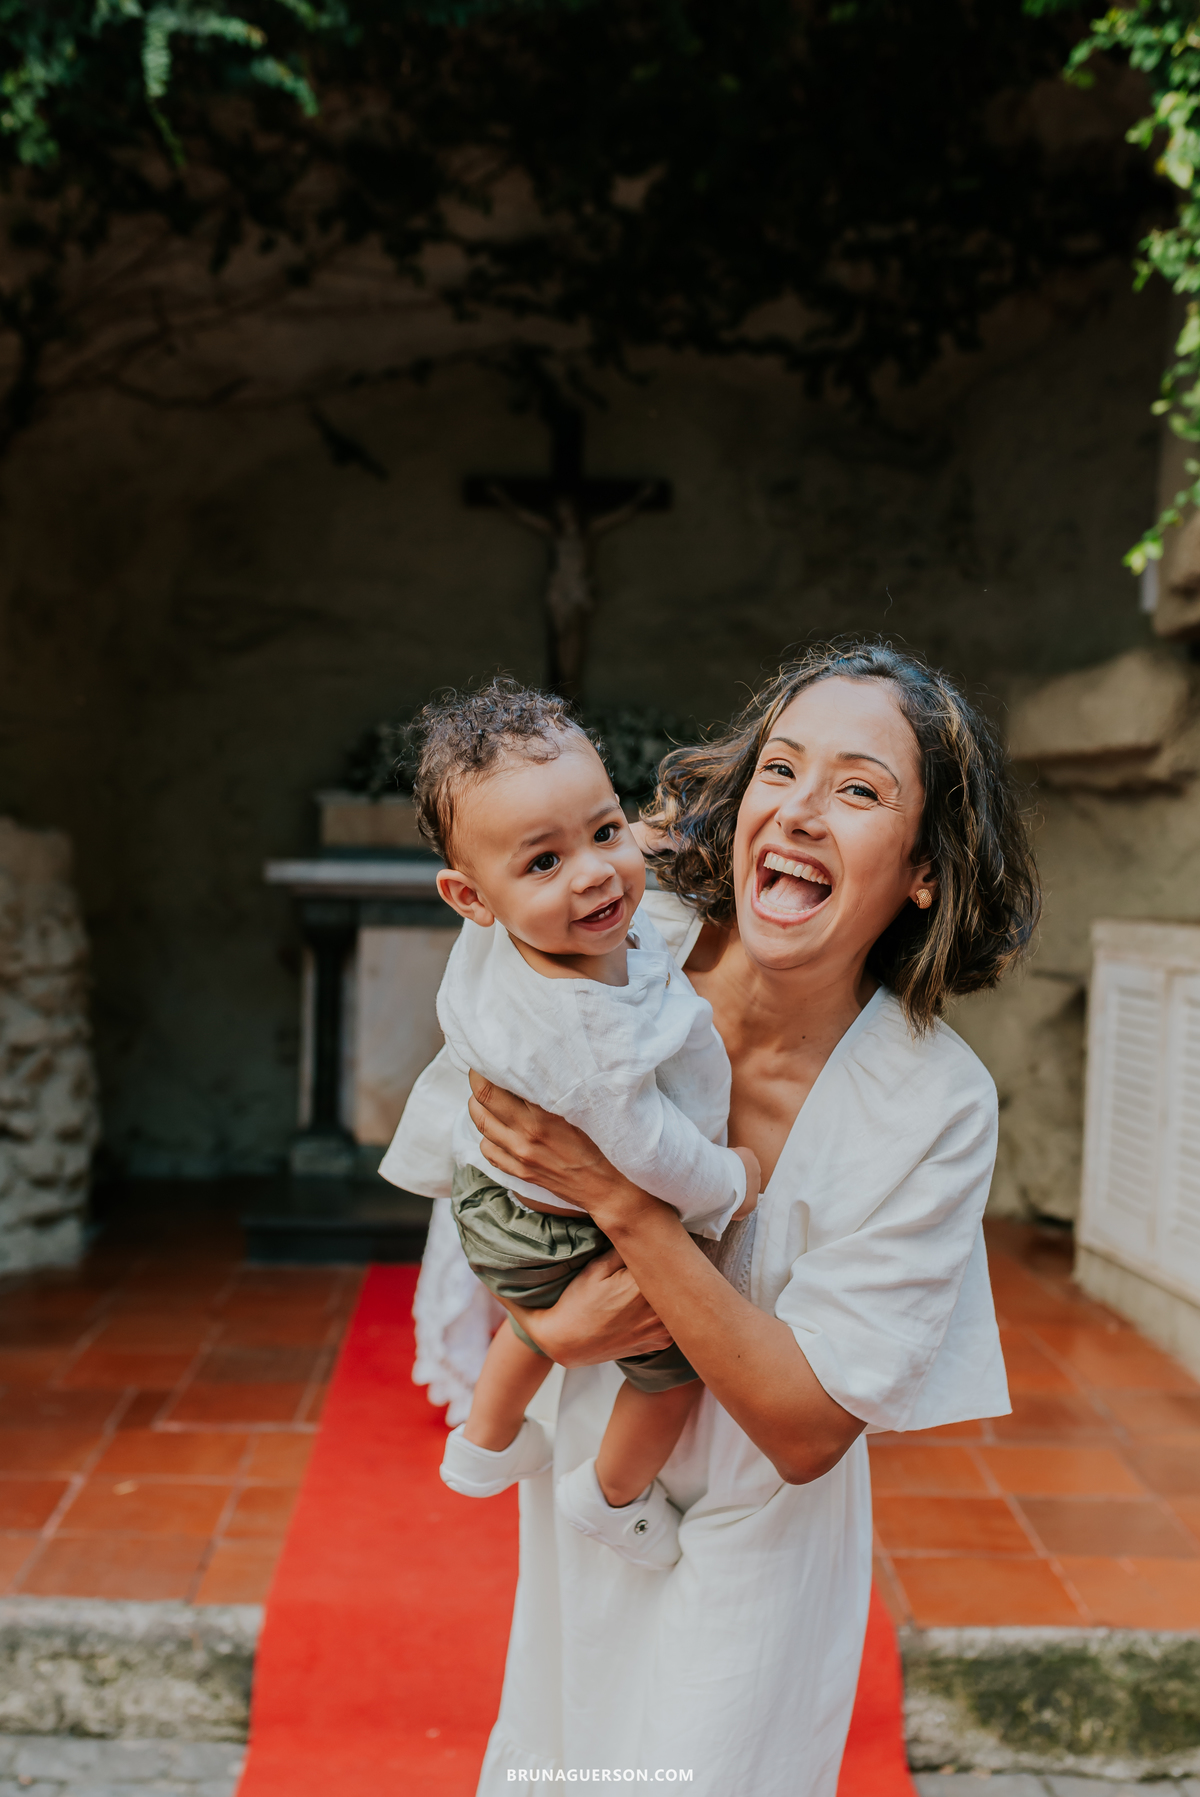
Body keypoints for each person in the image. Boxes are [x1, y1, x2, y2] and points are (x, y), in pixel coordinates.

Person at [382, 640, 1038, 1797]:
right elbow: (494, 1156)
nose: (798, 811)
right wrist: (545, 1329)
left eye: (859, 789)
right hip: (587, 1477)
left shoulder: (932, 1104)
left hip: (760, 1541)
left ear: (926, 868)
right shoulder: (629, 941)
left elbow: (803, 1428)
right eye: (781, 770)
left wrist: (626, 1206)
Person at [392, 680, 759, 1571]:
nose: (594, 871)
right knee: (676, 1359)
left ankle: (485, 1438)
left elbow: (594, 860)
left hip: (493, 1190)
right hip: (548, 1220)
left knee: (537, 1321)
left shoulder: (511, 934)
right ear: (469, 895)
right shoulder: (581, 1036)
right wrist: (734, 1178)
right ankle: (613, 1496)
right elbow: (646, 1154)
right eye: (544, 862)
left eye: (603, 831)